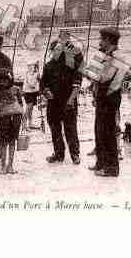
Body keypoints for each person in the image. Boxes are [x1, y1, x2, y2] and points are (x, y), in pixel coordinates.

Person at [41, 31, 82, 164]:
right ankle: (58, 153)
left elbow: (77, 82)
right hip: (53, 103)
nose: (58, 52)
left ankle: (75, 154)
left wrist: (71, 99)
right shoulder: (47, 66)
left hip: (68, 101)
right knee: (55, 129)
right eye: (55, 50)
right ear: (51, 52)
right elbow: (43, 84)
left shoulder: (70, 64)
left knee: (71, 129)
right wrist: (46, 92)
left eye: (60, 49)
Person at [88, 27, 123, 177]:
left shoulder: (116, 57)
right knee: (99, 130)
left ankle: (111, 168)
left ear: (108, 40)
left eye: (101, 39)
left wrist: (92, 73)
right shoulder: (106, 55)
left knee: (108, 132)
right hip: (102, 96)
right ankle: (101, 162)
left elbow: (102, 77)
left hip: (110, 97)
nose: (99, 42)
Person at [0, 69, 24, 174]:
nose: (3, 82)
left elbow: (21, 105)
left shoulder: (16, 89)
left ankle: (10, 166)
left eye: (6, 79)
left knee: (12, 141)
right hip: (3, 119)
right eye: (1, 80)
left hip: (16, 118)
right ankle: (3, 166)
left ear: (10, 79)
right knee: (4, 142)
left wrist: (23, 121)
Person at [23, 61, 40, 129]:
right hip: (28, 92)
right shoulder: (27, 74)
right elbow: (31, 84)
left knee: (31, 108)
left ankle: (30, 123)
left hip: (34, 92)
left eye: (35, 66)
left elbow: (38, 82)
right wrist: (36, 79)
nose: (34, 68)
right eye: (33, 66)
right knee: (28, 108)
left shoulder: (36, 73)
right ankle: (24, 124)